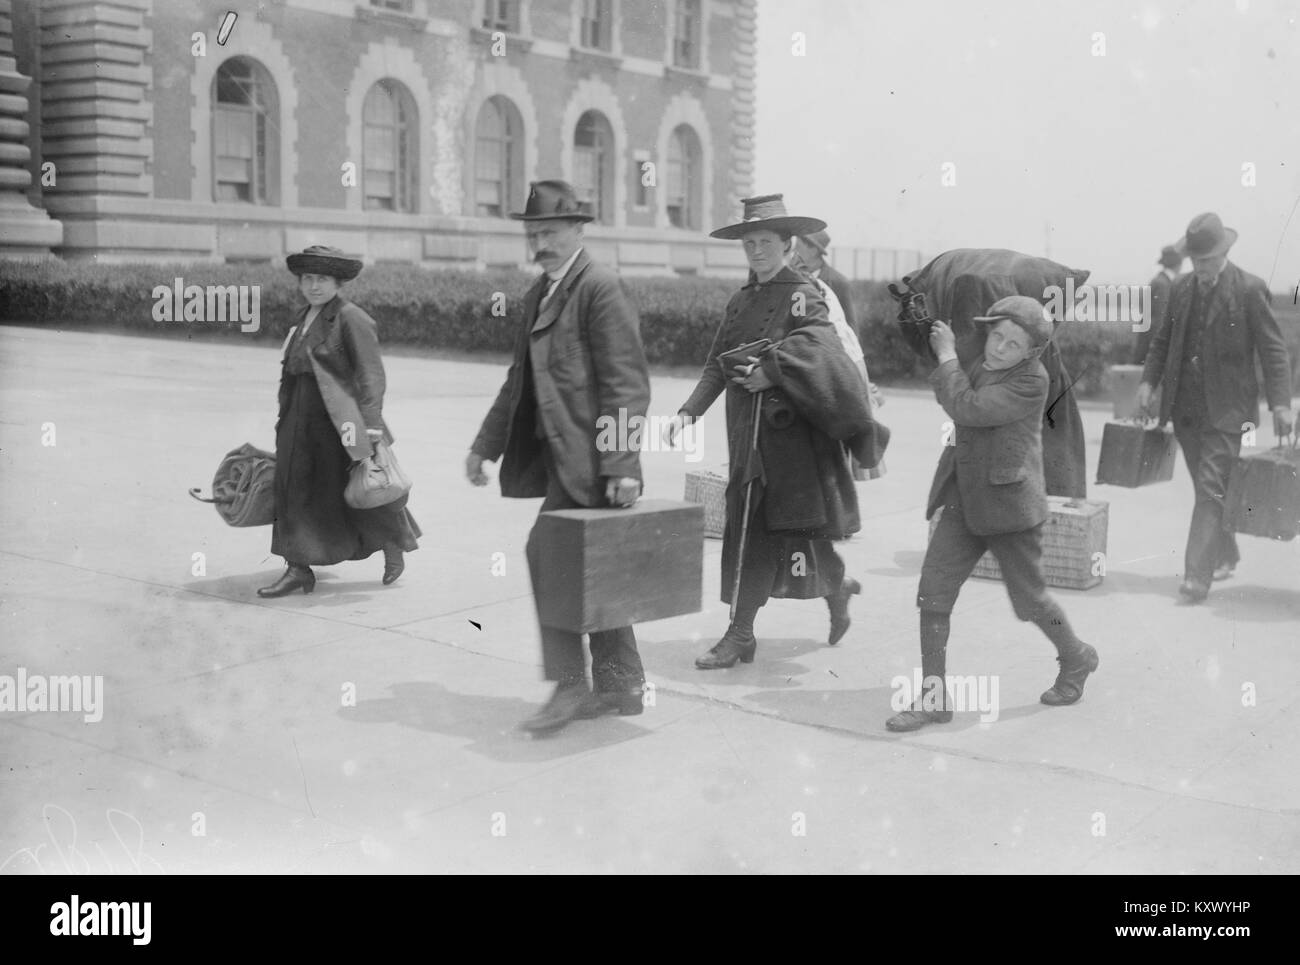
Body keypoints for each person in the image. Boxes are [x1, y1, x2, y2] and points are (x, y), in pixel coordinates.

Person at [664, 194, 882, 669]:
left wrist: (775, 369)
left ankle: (744, 632)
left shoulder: (804, 291)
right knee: (761, 529)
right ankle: (830, 592)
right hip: (747, 436)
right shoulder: (740, 300)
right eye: (749, 242)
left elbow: (823, 348)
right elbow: (716, 366)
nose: (756, 250)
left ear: (787, 243)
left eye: (766, 241)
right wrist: (688, 413)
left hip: (793, 441)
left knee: (776, 529)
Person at [467, 180, 651, 735]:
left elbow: (627, 384)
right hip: (563, 459)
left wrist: (620, 465)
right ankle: (621, 684)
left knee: (552, 559)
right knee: (596, 566)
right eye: (533, 232)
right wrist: (485, 445)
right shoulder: (540, 294)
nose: (539, 242)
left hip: (593, 461)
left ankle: (571, 687)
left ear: (578, 230)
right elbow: (517, 381)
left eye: (549, 231)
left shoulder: (600, 287)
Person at [886, 296, 1099, 733]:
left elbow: (968, 407)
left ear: (1031, 352)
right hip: (965, 499)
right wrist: (920, 317)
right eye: (996, 335)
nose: (999, 347)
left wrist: (947, 356)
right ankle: (933, 698)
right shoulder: (982, 361)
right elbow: (948, 361)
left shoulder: (1032, 381)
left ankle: (1076, 656)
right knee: (933, 592)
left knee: (1032, 601)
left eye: (1013, 343)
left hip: (1011, 508)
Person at [1137, 212, 1293, 602]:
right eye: (1195, 260)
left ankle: (1196, 577)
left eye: (1207, 260)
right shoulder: (1182, 288)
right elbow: (1162, 341)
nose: (1200, 268)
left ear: (1224, 253)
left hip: (1228, 412)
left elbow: (1274, 352)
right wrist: (1147, 382)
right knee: (1208, 488)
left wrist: (1281, 405)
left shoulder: (1249, 289)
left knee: (1209, 488)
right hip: (1185, 410)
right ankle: (1227, 552)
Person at [259, 245, 420, 598]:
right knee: (294, 493)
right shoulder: (302, 318)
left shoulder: (351, 318)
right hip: (299, 421)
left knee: (358, 490)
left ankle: (392, 543)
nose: (314, 286)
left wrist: (372, 427)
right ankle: (297, 569)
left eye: (322, 279)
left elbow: (371, 375)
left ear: (337, 282)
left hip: (341, 423)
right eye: (308, 279)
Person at [1132, 243, 1184, 365]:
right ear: (1178, 264)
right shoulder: (1164, 285)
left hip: (1146, 347)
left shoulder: (1158, 281)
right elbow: (1160, 322)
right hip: (1152, 352)